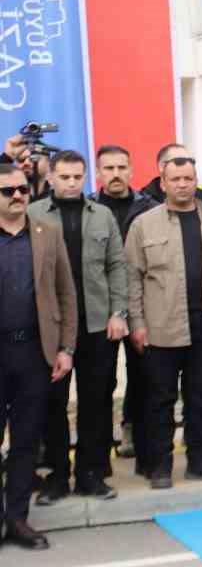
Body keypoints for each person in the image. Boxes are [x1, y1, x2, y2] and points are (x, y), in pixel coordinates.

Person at [125, 155, 202, 490]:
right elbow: (132, 278)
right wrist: (137, 323)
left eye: (188, 178)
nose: (182, 184)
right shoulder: (143, 225)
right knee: (160, 401)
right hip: (160, 328)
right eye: (174, 179)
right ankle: (160, 467)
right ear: (163, 183)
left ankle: (199, 462)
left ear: (196, 182)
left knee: (201, 399)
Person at [28, 151, 125, 505]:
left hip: (97, 325)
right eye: (65, 176)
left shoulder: (102, 215)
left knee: (96, 402)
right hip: (51, 328)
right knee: (52, 404)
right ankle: (57, 477)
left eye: (77, 177)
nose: (71, 183)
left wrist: (118, 312)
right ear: (50, 177)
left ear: (86, 177)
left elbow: (117, 266)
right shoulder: (33, 214)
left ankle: (90, 474)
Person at [0, 164, 75, 548]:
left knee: (27, 440)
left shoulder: (48, 233)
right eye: (7, 191)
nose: (17, 195)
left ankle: (17, 519)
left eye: (23, 189)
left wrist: (66, 348)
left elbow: (66, 293)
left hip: (34, 352)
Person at [93, 145, 158, 467]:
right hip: (98, 309)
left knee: (144, 379)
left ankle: (141, 448)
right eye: (109, 168)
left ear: (131, 171)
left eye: (121, 168)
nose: (116, 174)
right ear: (99, 173)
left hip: (141, 307)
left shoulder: (150, 209)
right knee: (100, 384)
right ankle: (99, 457)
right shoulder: (88, 209)